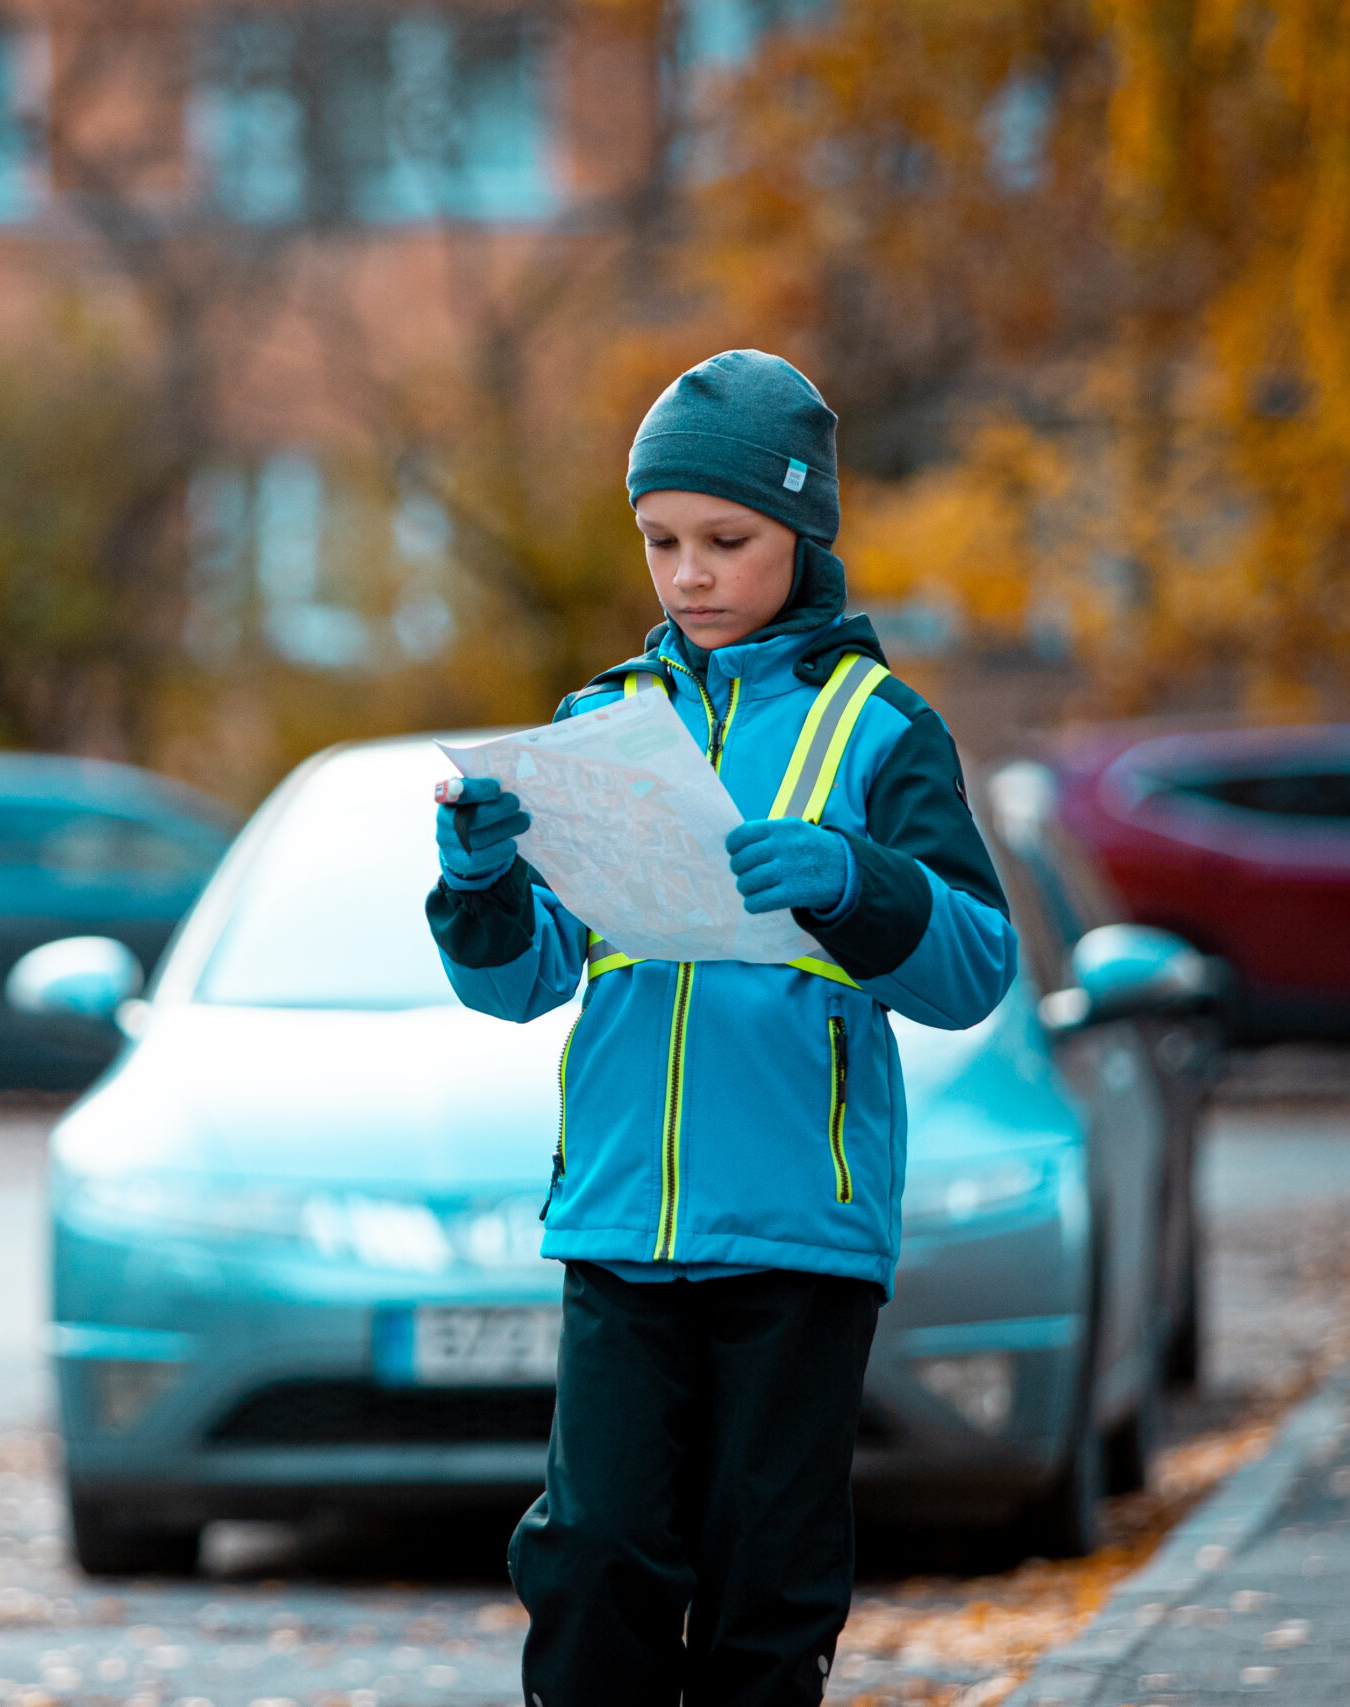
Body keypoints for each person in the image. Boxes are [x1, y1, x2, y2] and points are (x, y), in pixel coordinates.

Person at [426, 351, 1019, 1705]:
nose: (688, 572)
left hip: (798, 1235)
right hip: (621, 1225)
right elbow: (521, 983)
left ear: (805, 535)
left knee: (770, 1579)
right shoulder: (596, 723)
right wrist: (478, 883)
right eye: (660, 541)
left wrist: (857, 881)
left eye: (724, 540)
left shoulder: (884, 730)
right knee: (591, 1562)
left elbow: (974, 965)